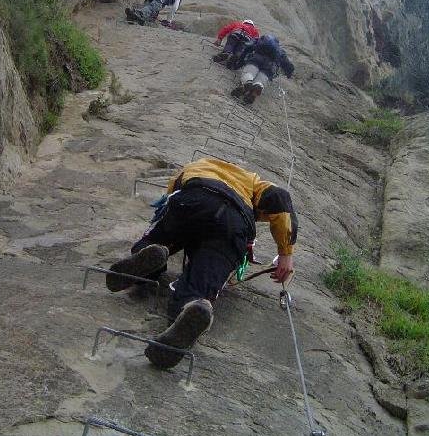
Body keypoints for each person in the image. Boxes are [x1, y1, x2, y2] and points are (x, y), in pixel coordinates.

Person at [105, 157, 298, 369]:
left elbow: (169, 202)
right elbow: (280, 197)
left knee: (161, 239)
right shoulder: (252, 182)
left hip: (191, 198)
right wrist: (285, 254)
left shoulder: (194, 167)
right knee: (201, 283)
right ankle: (193, 304)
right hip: (233, 220)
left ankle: (153, 256)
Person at [231, 34, 294, 105]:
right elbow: (287, 63)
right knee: (260, 80)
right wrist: (289, 73)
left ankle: (247, 83)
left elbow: (248, 47)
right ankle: (256, 89)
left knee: (249, 73)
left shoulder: (258, 40)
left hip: (256, 59)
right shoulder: (280, 50)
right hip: (270, 66)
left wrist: (239, 63)